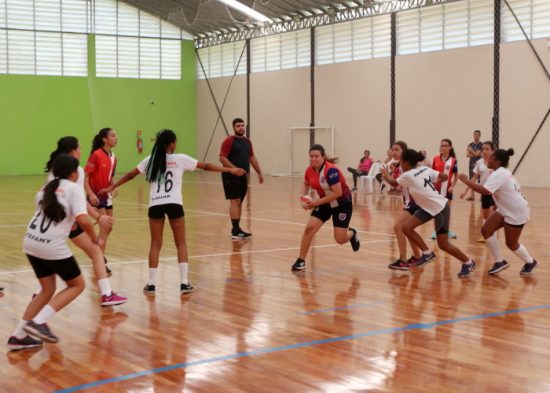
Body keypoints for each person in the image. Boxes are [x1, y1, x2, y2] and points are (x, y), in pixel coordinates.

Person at [103, 129, 245, 295]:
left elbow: (130, 175)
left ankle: (151, 284)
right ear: (171, 144)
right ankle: (184, 283)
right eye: (175, 141)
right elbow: (205, 166)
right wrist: (230, 170)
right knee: (181, 243)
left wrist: (113, 186)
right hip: (174, 204)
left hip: (156, 204)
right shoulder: (180, 159)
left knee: (155, 244)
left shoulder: (150, 160)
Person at [7, 154, 100, 351]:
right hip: (51, 246)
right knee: (77, 285)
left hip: (31, 242)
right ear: (75, 173)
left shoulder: (45, 189)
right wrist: (94, 238)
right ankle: (39, 321)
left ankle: (18, 335)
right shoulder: (74, 188)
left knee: (47, 290)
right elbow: (83, 220)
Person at [42, 137, 127, 306]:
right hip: (67, 223)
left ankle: (38, 294)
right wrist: (98, 217)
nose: (81, 151)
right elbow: (78, 201)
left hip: (52, 223)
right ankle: (106, 294)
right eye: (79, 148)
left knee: (49, 260)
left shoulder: (54, 169)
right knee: (95, 252)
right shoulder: (77, 171)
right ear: (72, 151)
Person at [382, 149, 476, 278]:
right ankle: (427, 253)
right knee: (406, 228)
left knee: (443, 244)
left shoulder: (408, 175)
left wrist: (385, 173)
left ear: (405, 162)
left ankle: (468, 262)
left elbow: (392, 182)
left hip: (440, 208)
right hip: (427, 208)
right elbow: (444, 177)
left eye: (401, 160)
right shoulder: (424, 169)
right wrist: (430, 186)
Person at [458, 148, 538, 276]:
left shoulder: (499, 173)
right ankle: (500, 261)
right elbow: (503, 191)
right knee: (486, 230)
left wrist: (466, 181)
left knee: (511, 243)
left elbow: (485, 191)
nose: (487, 160)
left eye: (490, 158)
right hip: (506, 208)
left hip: (516, 212)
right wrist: (497, 204)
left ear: (497, 161)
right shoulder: (502, 171)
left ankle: (530, 261)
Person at [291, 144, 360, 271]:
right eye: (311, 156)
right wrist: (302, 199)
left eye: (316, 156)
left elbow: (337, 193)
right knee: (309, 229)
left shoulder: (331, 170)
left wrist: (315, 203)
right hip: (324, 203)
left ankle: (352, 233)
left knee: (340, 239)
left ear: (323, 157)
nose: (313, 159)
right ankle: (301, 260)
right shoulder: (309, 170)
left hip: (342, 204)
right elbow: (305, 184)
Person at [219, 118, 264, 239]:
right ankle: (235, 230)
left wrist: (259, 173)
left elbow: (252, 158)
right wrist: (234, 169)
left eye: (242, 126)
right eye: (238, 126)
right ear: (233, 127)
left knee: (239, 203)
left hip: (243, 176)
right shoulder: (229, 140)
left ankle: (237, 229)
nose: (241, 128)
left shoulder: (247, 142)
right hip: (230, 175)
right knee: (235, 201)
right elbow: (222, 158)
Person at [85, 128, 118, 274]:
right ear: (105, 139)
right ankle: (99, 261)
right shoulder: (96, 155)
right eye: (113, 135)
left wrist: (114, 187)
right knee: (105, 229)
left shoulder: (113, 157)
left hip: (107, 197)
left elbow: (110, 176)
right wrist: (90, 194)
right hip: (96, 197)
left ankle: (96, 254)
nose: (116, 138)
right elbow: (85, 177)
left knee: (109, 227)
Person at [387, 141, 422, 270]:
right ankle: (417, 256)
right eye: (392, 149)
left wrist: (386, 175)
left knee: (398, 227)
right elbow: (396, 185)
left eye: (396, 149)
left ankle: (403, 260)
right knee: (408, 229)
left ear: (404, 153)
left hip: (414, 202)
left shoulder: (410, 167)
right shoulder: (398, 167)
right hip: (409, 202)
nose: (393, 152)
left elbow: (395, 183)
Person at [460, 141, 496, 242]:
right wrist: (465, 191)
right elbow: (474, 178)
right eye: (483, 149)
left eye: (487, 149)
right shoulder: (479, 163)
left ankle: (490, 235)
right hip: (484, 192)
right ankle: (490, 234)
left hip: (494, 193)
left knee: (491, 215)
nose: (484, 151)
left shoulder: (496, 163)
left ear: (492, 151)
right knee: (485, 215)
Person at [431, 138, 458, 239]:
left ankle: (447, 230)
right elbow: (431, 173)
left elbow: (456, 175)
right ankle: (435, 231)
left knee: (447, 211)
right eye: (441, 145)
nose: (443, 147)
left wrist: (452, 186)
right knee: (436, 210)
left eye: (445, 145)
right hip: (436, 190)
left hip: (447, 190)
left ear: (450, 147)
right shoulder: (435, 159)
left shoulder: (453, 161)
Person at [465, 130, 483, 201]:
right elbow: (467, 155)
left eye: (477, 135)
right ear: (473, 135)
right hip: (471, 164)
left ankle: (482, 196)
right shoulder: (470, 144)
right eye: (475, 134)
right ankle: (472, 196)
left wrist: (471, 151)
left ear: (479, 136)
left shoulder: (481, 145)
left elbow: (477, 154)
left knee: (481, 180)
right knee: (471, 180)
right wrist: (472, 153)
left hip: (479, 164)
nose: (476, 136)